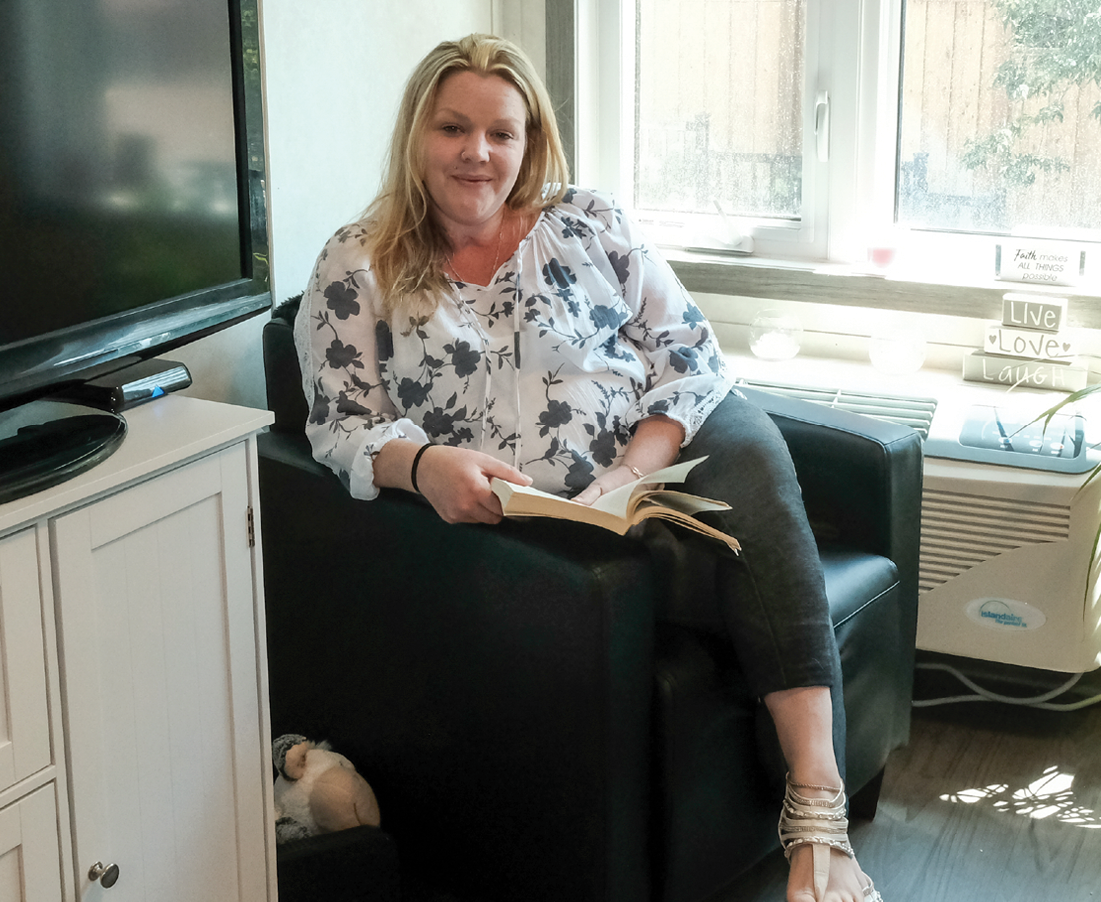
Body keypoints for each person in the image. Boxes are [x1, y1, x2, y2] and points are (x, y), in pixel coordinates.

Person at [296, 33, 883, 902]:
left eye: (503, 132)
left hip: (654, 465)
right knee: (748, 561)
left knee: (756, 460)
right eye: (453, 128)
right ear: (416, 135)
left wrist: (631, 472)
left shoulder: (589, 222)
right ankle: (817, 829)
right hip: (543, 529)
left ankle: (816, 810)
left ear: (531, 140)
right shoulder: (358, 263)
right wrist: (422, 467)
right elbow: (340, 423)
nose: (478, 153)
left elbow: (686, 350)